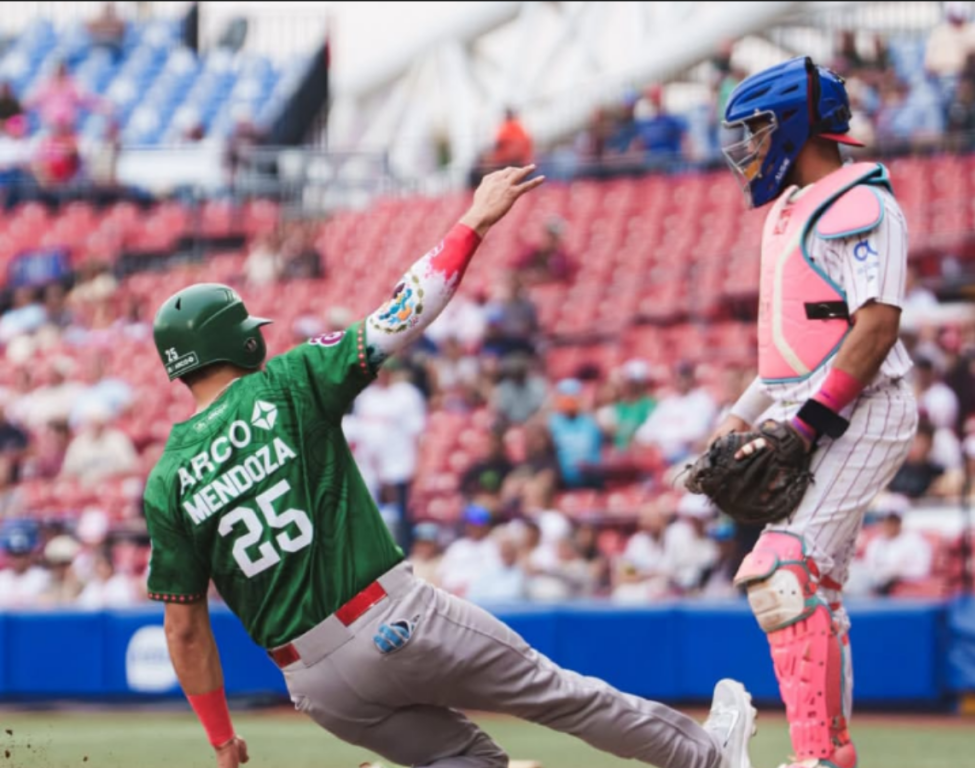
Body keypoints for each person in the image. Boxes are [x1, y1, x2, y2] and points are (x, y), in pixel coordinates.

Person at [142, 165, 755, 768]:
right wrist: (474, 221)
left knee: (470, 763)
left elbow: (184, 629)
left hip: (313, 681)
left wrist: (222, 740)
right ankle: (709, 760)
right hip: (391, 618)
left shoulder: (167, 478)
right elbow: (402, 314)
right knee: (558, 694)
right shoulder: (285, 382)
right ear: (238, 340)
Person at [710, 57, 917, 768]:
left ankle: (820, 756)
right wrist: (741, 414)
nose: (748, 146)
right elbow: (798, 347)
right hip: (817, 408)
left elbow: (875, 328)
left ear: (795, 126)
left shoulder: (863, 203)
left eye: (757, 129)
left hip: (867, 407)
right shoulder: (795, 207)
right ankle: (826, 753)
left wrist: (804, 427)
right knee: (812, 585)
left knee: (782, 570)